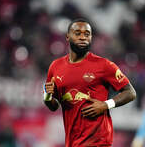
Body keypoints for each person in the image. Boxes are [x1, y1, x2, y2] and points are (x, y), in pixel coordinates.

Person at [43, 18, 136, 147]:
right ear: (67, 37)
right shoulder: (55, 67)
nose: (83, 37)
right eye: (78, 33)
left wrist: (105, 105)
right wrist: (47, 95)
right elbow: (53, 106)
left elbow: (130, 92)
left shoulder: (104, 65)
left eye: (87, 34)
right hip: (73, 141)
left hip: (98, 141)